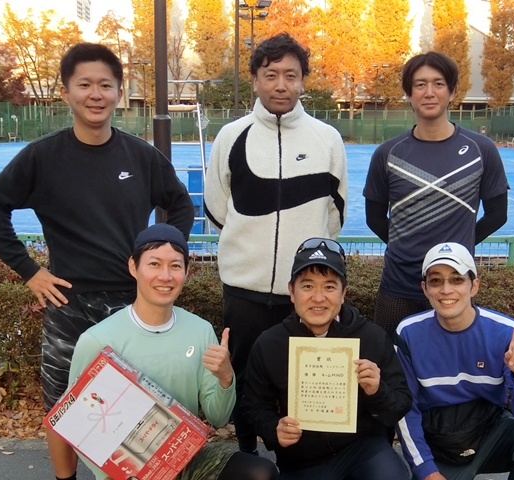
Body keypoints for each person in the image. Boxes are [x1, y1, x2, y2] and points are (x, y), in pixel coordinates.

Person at [0, 43, 194, 480]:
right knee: (64, 404)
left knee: (139, 403)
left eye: (106, 85)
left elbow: (181, 205)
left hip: (132, 303)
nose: (96, 94)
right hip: (68, 304)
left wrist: (162, 259)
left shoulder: (140, 156)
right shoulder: (43, 156)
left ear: (119, 92)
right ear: (66, 92)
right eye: (85, 85)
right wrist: (30, 271)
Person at [204, 32, 348, 454]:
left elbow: (335, 214)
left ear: (302, 81)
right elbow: (216, 209)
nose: (281, 84)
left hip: (302, 294)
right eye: (270, 75)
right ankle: (248, 455)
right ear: (255, 80)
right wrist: (248, 253)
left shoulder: (327, 138)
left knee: (300, 382)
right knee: (244, 377)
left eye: (290, 75)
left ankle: (297, 459)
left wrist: (304, 270)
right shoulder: (230, 136)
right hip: (243, 289)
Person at [68, 223, 279, 480]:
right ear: (133, 267)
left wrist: (226, 377)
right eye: (154, 264)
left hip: (183, 457)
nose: (165, 276)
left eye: (175, 266)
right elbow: (76, 423)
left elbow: (218, 417)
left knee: (260, 473)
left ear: (186, 271)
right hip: (127, 470)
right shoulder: (98, 340)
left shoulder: (199, 330)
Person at [363, 51, 509, 335]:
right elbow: (375, 218)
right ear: (409, 94)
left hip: (454, 289)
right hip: (398, 288)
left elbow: (497, 214)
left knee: (453, 362)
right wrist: (406, 249)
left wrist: (458, 250)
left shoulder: (481, 150)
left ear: (452, 92)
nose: (429, 92)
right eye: (420, 84)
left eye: (438, 84)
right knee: (391, 361)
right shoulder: (387, 153)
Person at [242, 238, 412, 479]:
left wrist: (377, 390)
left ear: (343, 293)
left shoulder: (372, 337)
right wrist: (274, 428)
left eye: (329, 287)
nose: (319, 297)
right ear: (292, 292)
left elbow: (401, 403)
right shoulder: (270, 344)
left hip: (363, 450)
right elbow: (253, 405)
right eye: (307, 286)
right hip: (301, 459)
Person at [394, 242, 514, 480]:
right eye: (436, 280)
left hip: (490, 431)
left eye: (457, 279)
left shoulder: (508, 332)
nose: (446, 289)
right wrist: (426, 470)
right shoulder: (408, 333)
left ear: (474, 286)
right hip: (438, 441)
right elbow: (406, 409)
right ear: (425, 288)